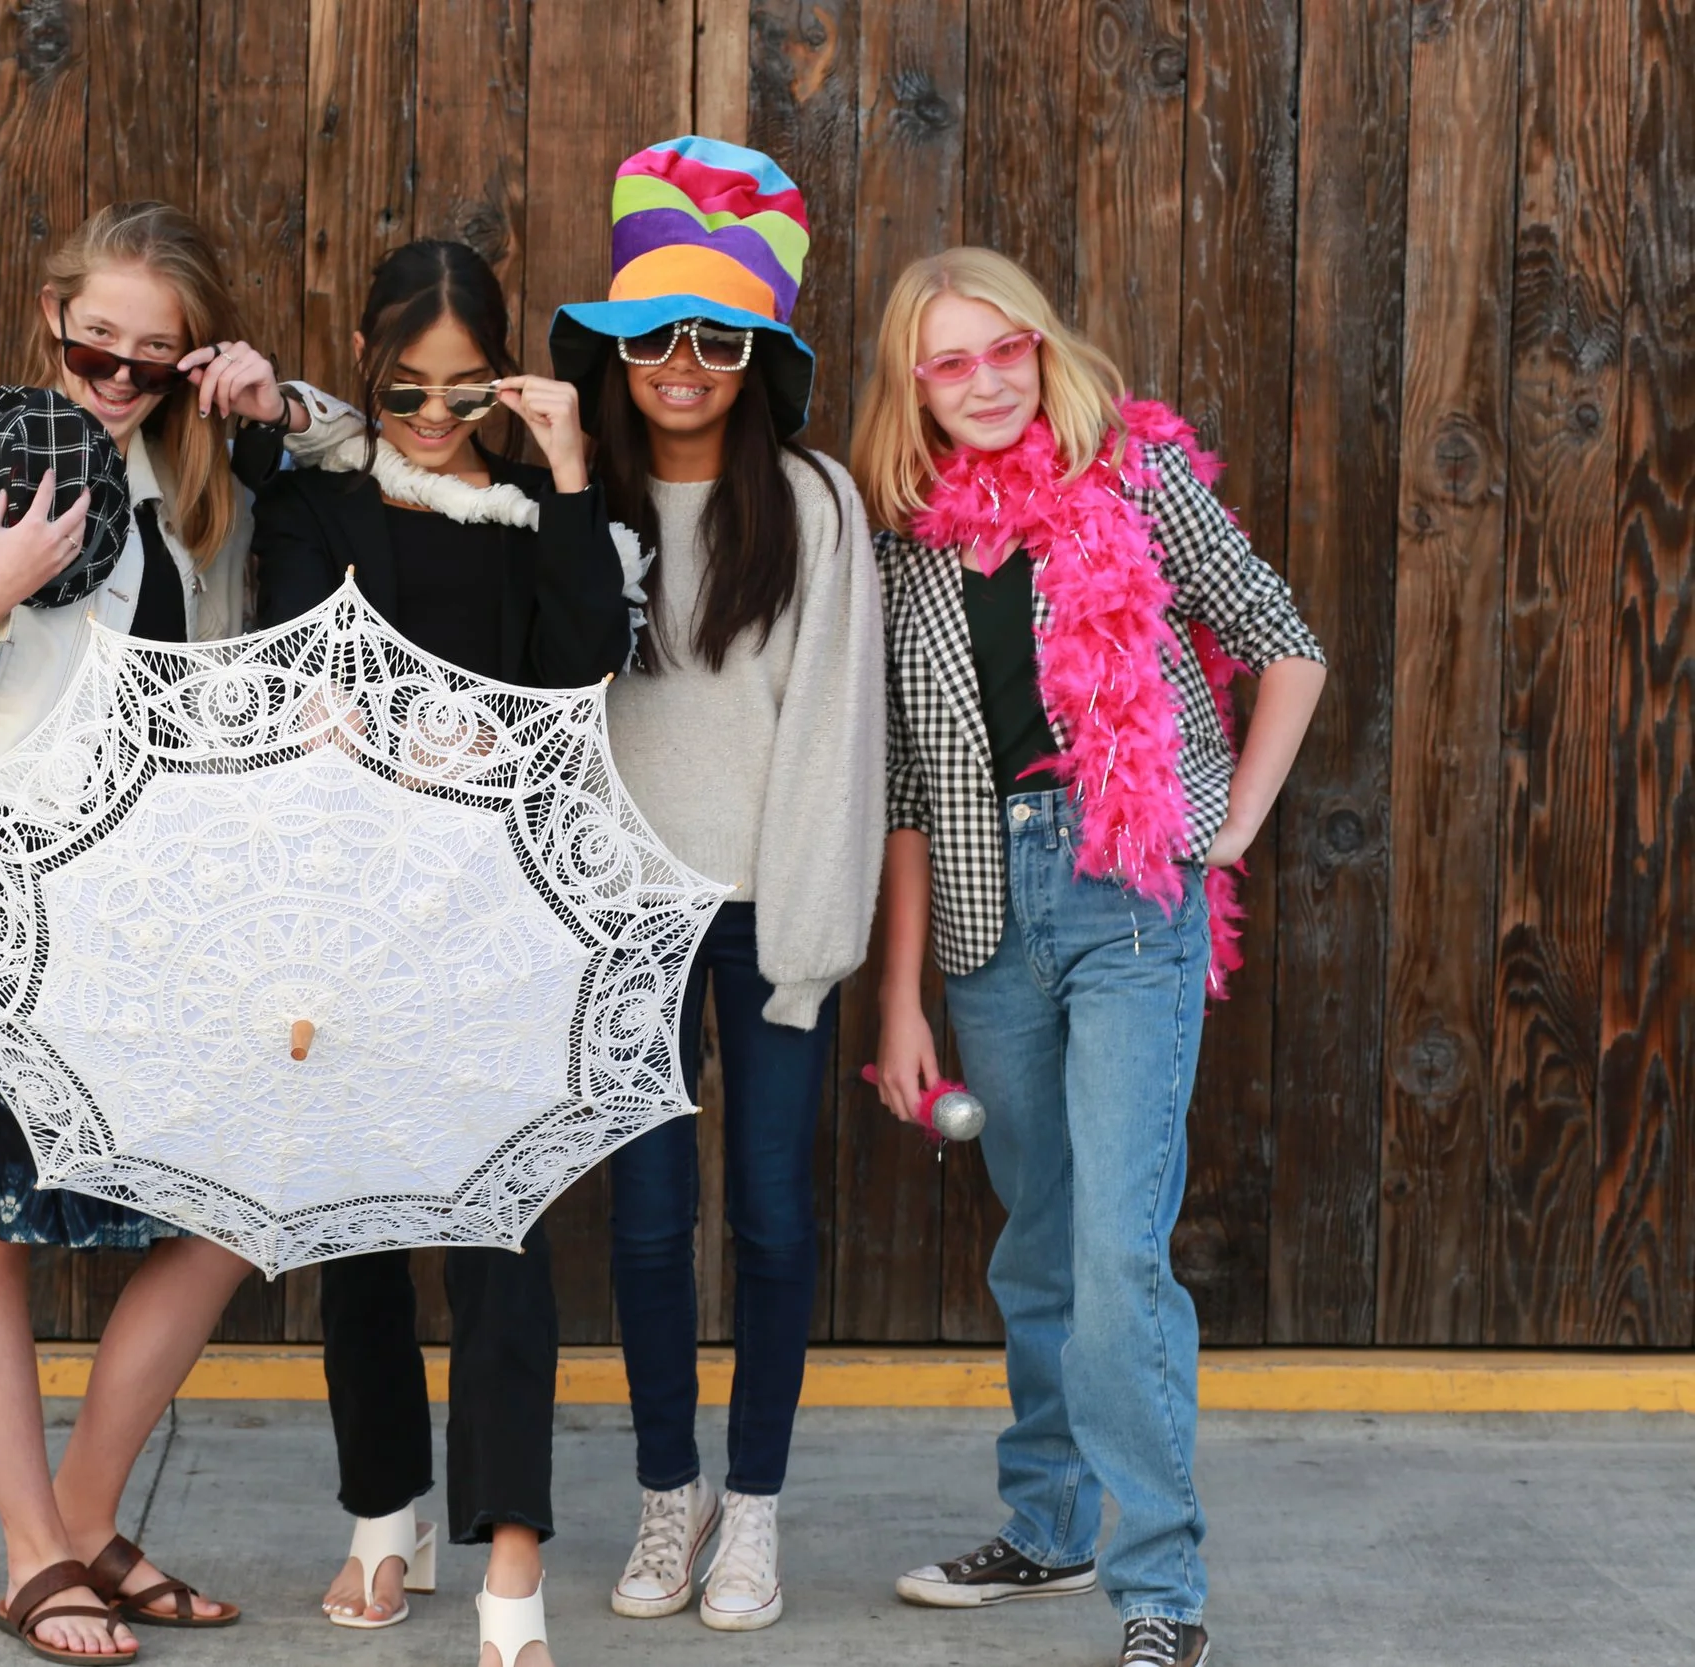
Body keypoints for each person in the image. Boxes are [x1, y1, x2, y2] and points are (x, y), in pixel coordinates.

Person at [0, 199, 350, 1664]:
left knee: (234, 1195)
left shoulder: (210, 476)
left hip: (166, 890)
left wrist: (280, 402)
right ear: (52, 325)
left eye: (153, 357)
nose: (118, 379)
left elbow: (364, 456)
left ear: (193, 360)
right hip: (6, 876)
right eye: (95, 348)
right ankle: (36, 1552)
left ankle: (80, 1514)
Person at [852, 245, 1326, 1667]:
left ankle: (1160, 1590)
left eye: (1007, 348)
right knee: (1041, 1239)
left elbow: (1284, 640)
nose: (987, 380)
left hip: (1129, 893)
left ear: (1045, 348)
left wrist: (1233, 822)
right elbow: (907, 786)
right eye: (952, 361)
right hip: (986, 911)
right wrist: (898, 998)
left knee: (1119, 1249)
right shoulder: (903, 538)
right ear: (914, 385)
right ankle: (1048, 1526)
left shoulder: (1137, 477)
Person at [239, 238, 630, 1667]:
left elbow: (589, 658)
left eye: (466, 393)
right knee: (357, 1240)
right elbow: (296, 664)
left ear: (505, 385)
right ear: (365, 365)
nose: (432, 418)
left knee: (497, 1236)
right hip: (345, 903)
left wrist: (570, 470)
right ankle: (382, 1511)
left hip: (496, 910)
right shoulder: (319, 499)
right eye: (405, 390)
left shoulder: (537, 512)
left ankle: (512, 1555)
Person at [545, 137, 884, 1634]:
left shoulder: (811, 506)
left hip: (765, 910)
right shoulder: (577, 500)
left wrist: (810, 937)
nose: (683, 366)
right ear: (615, 352)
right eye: (655, 337)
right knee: (643, 1222)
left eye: (719, 340)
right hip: (624, 916)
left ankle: (754, 1508)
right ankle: (665, 1492)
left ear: (760, 363)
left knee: (773, 1219)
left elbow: (835, 734)